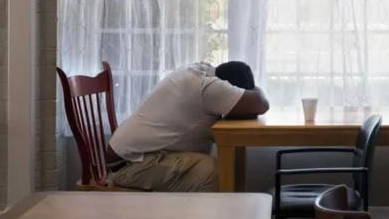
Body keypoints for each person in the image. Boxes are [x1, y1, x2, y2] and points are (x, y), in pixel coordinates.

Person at [106, 61, 269, 192]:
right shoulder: (210, 88)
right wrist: (251, 90)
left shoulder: (199, 70)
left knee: (223, 168)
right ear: (229, 86)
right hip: (129, 166)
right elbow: (261, 103)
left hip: (133, 157)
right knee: (219, 174)